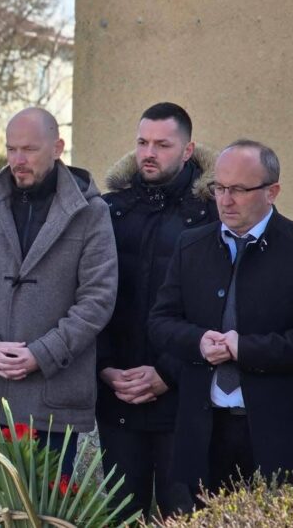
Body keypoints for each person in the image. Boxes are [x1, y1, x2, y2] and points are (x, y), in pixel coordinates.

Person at [149, 140, 293, 497]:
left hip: (281, 434)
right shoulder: (191, 245)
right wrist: (198, 341)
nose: (225, 200)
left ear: (272, 191)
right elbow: (161, 321)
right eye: (219, 188)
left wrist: (246, 349)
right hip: (204, 432)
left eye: (238, 189)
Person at [0, 107, 117, 472]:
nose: (18, 160)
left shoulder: (90, 211)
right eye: (11, 149)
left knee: (45, 514)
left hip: (54, 397)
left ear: (57, 147)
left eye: (29, 149)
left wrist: (41, 354)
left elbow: (98, 299)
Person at [97, 103, 213, 519]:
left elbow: (216, 308)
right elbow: (91, 296)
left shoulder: (211, 215)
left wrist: (168, 374)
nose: (149, 152)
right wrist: (104, 367)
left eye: (163, 144)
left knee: (182, 515)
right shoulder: (108, 210)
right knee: (116, 515)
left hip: (183, 403)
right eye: (143, 142)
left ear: (188, 149)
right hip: (117, 397)